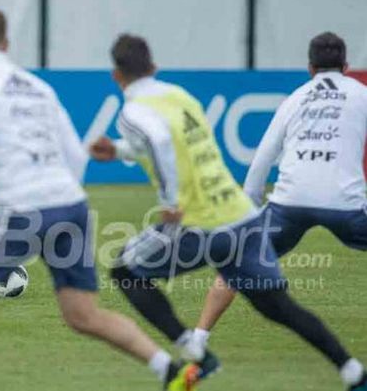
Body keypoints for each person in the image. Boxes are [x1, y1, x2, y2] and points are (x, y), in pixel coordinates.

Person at [0, 8, 201, 391]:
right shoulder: (38, 87)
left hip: (24, 206)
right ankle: (169, 369)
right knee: (82, 314)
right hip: (69, 203)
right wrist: (61, 198)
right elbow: (76, 155)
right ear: (8, 43)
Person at [89, 34, 367, 390]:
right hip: (242, 217)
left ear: (116, 75)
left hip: (199, 222)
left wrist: (171, 202)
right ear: (154, 68)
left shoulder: (132, 111)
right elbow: (169, 141)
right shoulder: (180, 97)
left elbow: (158, 141)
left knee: (124, 268)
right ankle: (352, 371)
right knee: (277, 306)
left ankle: (196, 351)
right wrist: (118, 151)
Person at [188, 32, 367, 391]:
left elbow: (264, 156)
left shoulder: (296, 98)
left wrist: (247, 209)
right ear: (347, 68)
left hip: (290, 201)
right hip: (346, 205)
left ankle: (198, 338)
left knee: (238, 260)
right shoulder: (361, 94)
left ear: (310, 68)